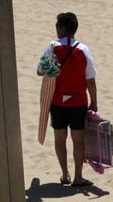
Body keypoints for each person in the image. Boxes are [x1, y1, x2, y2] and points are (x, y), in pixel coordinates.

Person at [40, 12, 98, 188]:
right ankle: (78, 177)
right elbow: (90, 79)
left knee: (60, 138)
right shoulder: (83, 49)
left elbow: (40, 70)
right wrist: (94, 101)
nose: (56, 29)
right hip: (78, 102)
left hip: (57, 102)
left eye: (57, 26)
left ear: (63, 28)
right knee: (78, 139)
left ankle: (65, 174)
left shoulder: (52, 47)